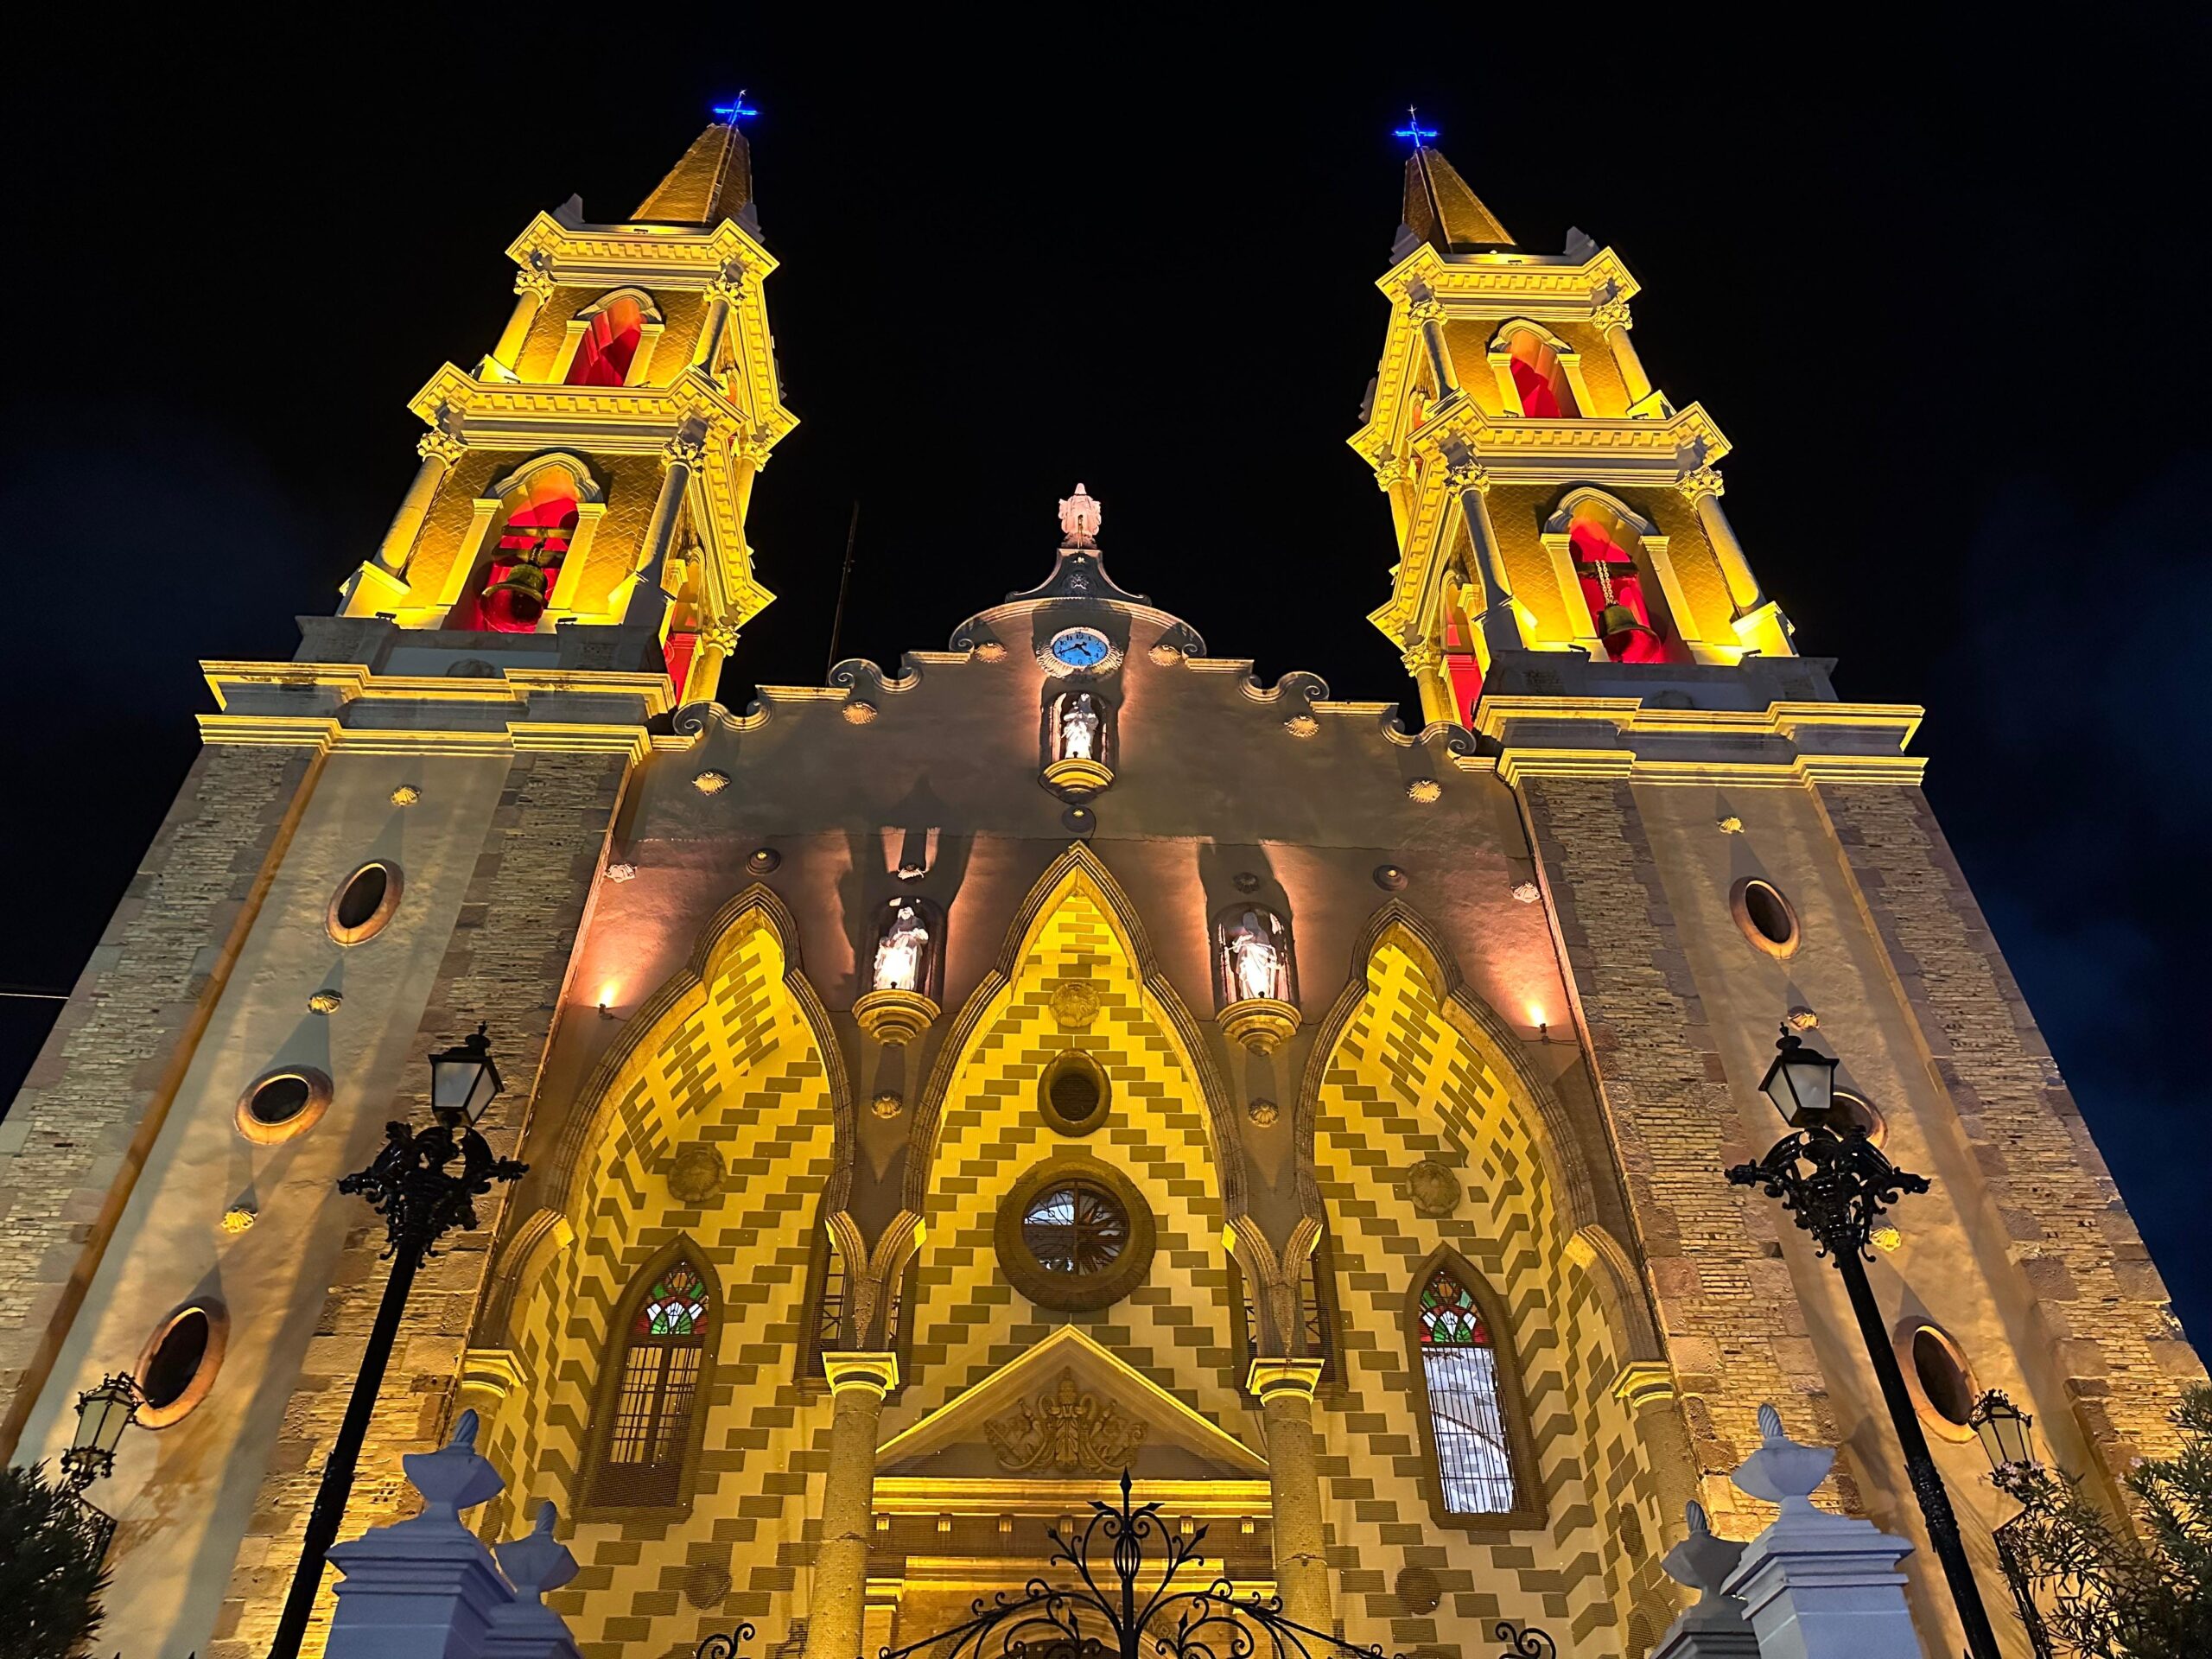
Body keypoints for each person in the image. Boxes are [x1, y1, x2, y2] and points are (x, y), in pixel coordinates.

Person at [874, 902, 931, 992]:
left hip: (909, 951)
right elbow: (890, 941)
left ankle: (905, 988)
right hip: (895, 953)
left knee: (906, 975)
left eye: (907, 912)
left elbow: (924, 938)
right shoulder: (895, 927)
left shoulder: (917, 924)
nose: (905, 913)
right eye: (903, 912)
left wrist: (912, 933)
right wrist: (886, 944)